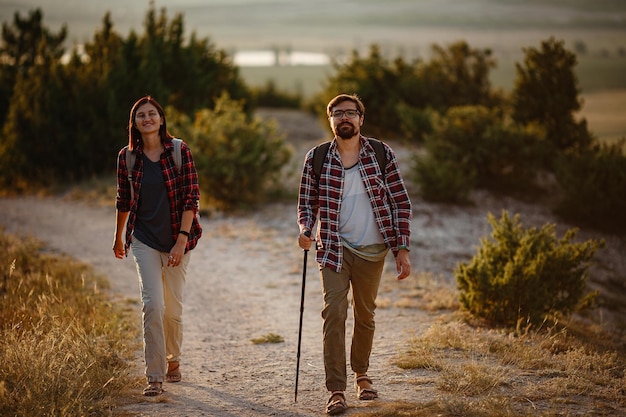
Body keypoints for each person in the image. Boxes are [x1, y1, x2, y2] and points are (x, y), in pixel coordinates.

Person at [297, 93, 412, 415]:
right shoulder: (317, 157)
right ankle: (336, 389)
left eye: (351, 112)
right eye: (337, 113)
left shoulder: (380, 153)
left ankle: (362, 373)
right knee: (333, 313)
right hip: (333, 247)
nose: (344, 117)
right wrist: (306, 229)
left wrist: (402, 248)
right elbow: (306, 204)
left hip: (373, 249)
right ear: (330, 119)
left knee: (366, 315)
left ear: (361, 119)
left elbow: (401, 202)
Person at [112, 96, 202, 396]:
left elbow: (191, 198)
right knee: (153, 304)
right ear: (134, 123)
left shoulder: (178, 151)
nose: (147, 118)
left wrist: (181, 241)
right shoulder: (127, 157)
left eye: (152, 114)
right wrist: (118, 236)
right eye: (140, 115)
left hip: (179, 239)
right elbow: (123, 200)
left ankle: (173, 359)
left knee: (172, 310)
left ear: (161, 119)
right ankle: (154, 375)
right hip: (143, 239)